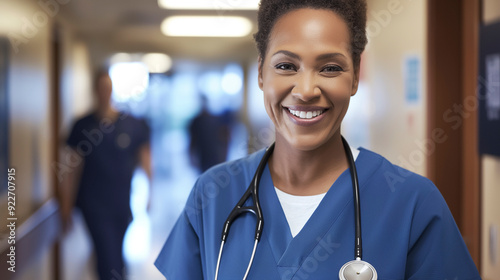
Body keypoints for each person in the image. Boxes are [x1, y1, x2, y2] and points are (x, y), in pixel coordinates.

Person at [154, 0, 481, 279]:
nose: (306, 90)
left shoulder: (412, 203)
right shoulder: (213, 195)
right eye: (285, 65)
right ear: (260, 74)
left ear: (354, 76)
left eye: (330, 68)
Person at [61, 71, 151, 279]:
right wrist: (66, 205)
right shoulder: (82, 125)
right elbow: (71, 168)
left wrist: (149, 193)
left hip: (121, 202)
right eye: (100, 88)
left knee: (115, 254)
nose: (105, 92)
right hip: (92, 204)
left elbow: (146, 159)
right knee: (106, 254)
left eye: (108, 87)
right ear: (94, 91)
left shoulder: (131, 124)